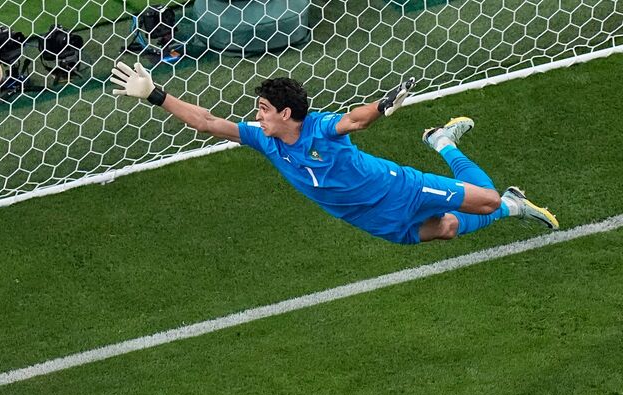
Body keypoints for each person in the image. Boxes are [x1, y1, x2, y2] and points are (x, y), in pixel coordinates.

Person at [110, 62, 559, 244]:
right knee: (444, 230)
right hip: (367, 217)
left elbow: (355, 120)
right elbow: (208, 123)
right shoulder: (265, 140)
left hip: (398, 189)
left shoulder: (320, 128)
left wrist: (383, 106)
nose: (256, 115)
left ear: (287, 113)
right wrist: (155, 95)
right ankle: (464, 160)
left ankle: (446, 146)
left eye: (264, 109)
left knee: (489, 202)